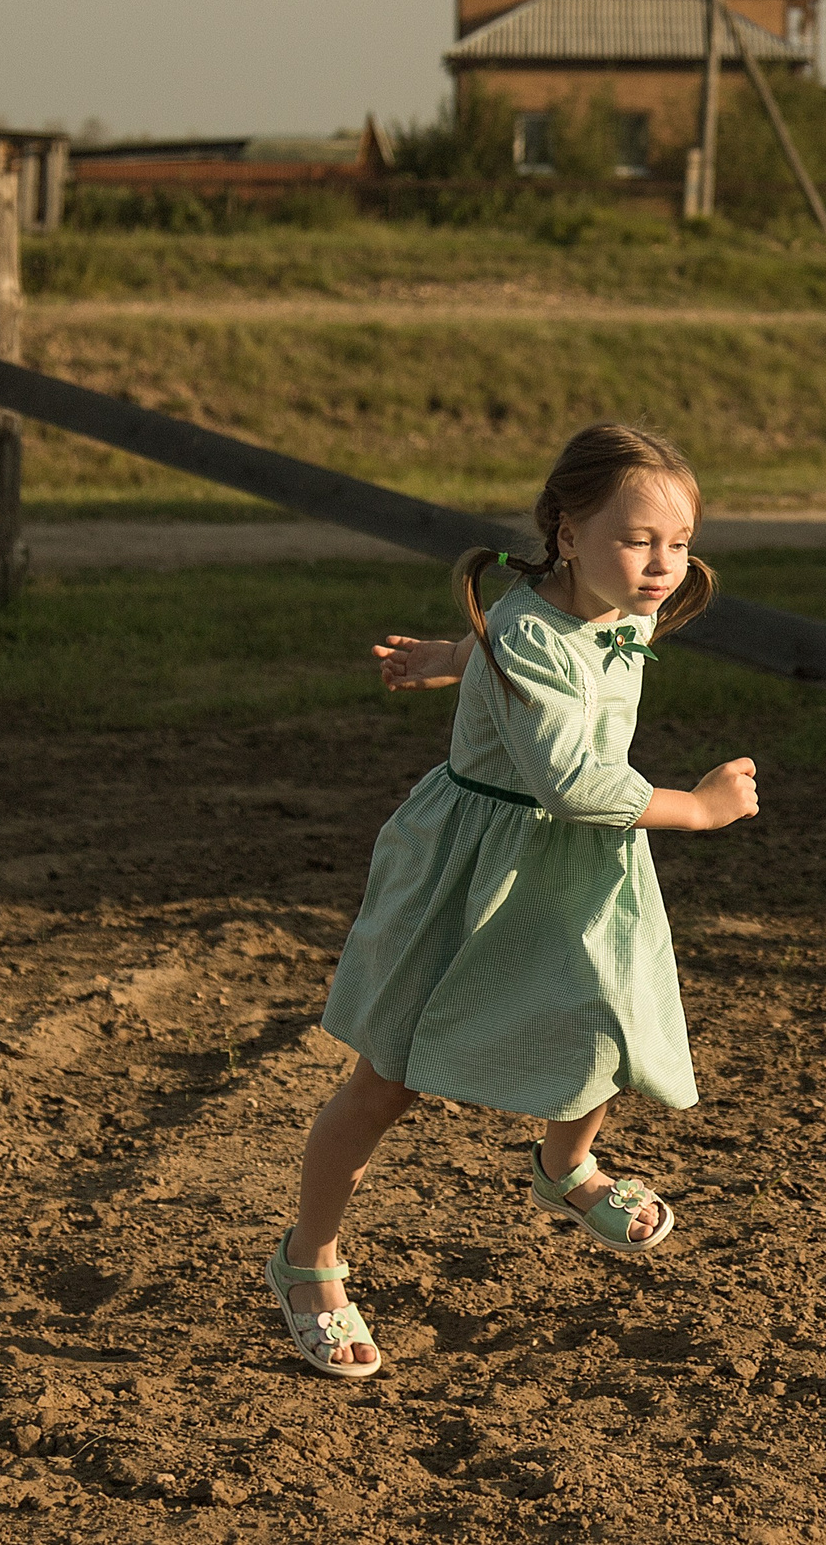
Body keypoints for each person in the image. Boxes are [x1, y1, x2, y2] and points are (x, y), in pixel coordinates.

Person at [264, 423, 760, 1379]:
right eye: (635, 539)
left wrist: (447, 659)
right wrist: (694, 808)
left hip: (576, 868)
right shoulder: (534, 630)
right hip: (475, 868)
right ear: (566, 533)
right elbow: (570, 774)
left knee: (615, 1019)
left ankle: (564, 1168)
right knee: (388, 1079)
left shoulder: (622, 605)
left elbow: (507, 647)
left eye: (680, 542)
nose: (661, 566)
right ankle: (308, 1261)